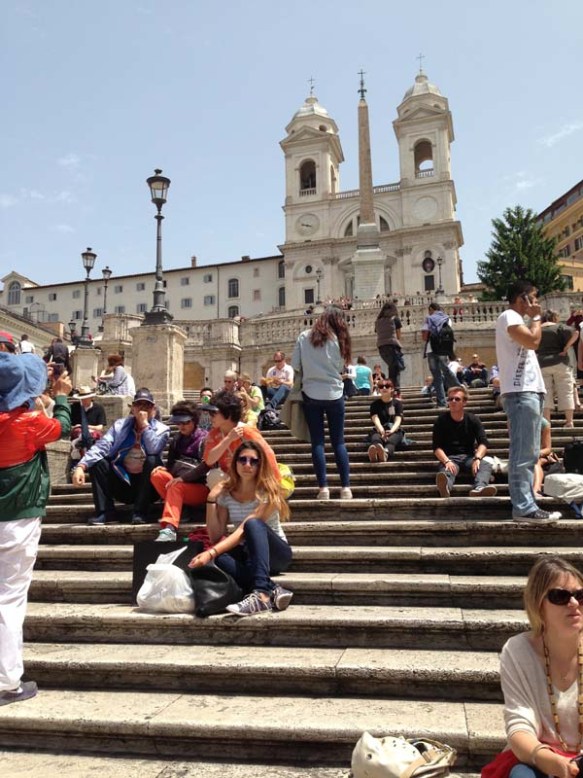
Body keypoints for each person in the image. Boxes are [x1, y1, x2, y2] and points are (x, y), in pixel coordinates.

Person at [0, 352, 71, 706]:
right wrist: (59, 397)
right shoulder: (27, 422)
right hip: (17, 520)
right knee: (10, 600)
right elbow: (62, 427)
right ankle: (8, 681)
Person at [497, 556, 583, 778]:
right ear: (538, 605)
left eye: (580, 595)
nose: (573, 603)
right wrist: (548, 760)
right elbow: (519, 724)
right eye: (559, 596)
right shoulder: (518, 651)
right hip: (540, 758)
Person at [188, 440, 293, 616]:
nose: (247, 465)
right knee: (221, 557)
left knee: (252, 524)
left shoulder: (268, 491)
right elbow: (216, 535)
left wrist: (209, 553)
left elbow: (242, 530)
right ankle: (274, 589)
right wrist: (211, 499)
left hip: (276, 555)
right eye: (242, 460)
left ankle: (261, 594)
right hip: (250, 555)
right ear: (235, 462)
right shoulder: (227, 494)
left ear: (261, 466)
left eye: (254, 461)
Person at [496, 281, 562, 524]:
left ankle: (527, 504)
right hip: (520, 392)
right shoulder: (509, 316)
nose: (537, 303)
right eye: (533, 298)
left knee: (530, 453)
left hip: (530, 391)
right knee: (523, 454)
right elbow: (533, 341)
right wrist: (535, 319)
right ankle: (523, 507)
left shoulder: (516, 318)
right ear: (521, 298)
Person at [72, 388, 169, 525]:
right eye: (139, 405)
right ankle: (106, 512)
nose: (142, 409)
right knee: (99, 462)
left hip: (148, 487)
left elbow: (153, 449)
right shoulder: (120, 426)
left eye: (147, 406)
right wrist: (81, 466)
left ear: (153, 409)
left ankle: (140, 512)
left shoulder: (162, 430)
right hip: (124, 483)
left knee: (153, 460)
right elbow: (102, 446)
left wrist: (145, 425)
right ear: (132, 408)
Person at [292, 306, 352, 500]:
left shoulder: (304, 336)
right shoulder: (340, 339)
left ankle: (323, 488)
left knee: (317, 442)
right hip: (334, 393)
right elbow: (341, 366)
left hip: (311, 393)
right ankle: (345, 488)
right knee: (339, 442)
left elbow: (296, 365)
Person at [151, 401, 209, 542]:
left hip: (201, 487)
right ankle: (181, 510)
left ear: (194, 421)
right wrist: (164, 469)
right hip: (180, 483)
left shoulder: (205, 438)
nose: (181, 426)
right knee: (157, 475)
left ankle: (169, 528)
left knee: (175, 486)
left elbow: (206, 466)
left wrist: (183, 479)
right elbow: (171, 465)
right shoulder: (177, 440)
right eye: (179, 423)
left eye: (185, 423)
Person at [432, 385, 497, 498]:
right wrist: (446, 461)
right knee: (446, 470)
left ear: (464, 402)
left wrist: (477, 458)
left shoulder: (472, 419)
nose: (453, 401)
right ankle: (445, 487)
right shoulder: (440, 421)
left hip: (469, 457)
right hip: (450, 457)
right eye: (450, 399)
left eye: (457, 399)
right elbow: (436, 447)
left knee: (484, 464)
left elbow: (483, 442)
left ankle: (480, 488)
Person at [536, 310, 578, 428]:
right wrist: (566, 348)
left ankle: (547, 423)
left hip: (542, 363)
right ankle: (569, 421)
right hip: (561, 362)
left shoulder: (538, 329)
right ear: (555, 317)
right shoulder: (560, 327)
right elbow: (576, 334)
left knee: (545, 393)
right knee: (566, 391)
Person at [421, 303, 459, 408]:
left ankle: (442, 402)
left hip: (431, 349)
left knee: (437, 376)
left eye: (429, 310)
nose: (429, 312)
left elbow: (424, 336)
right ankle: (460, 388)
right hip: (443, 349)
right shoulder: (447, 319)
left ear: (432, 309)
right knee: (446, 370)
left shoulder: (429, 318)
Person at [69, 385, 107, 466]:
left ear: (91, 398)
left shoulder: (99, 408)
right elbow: (71, 425)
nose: (84, 400)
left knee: (93, 437)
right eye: (82, 399)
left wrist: (86, 426)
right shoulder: (75, 408)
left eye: (86, 398)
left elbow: (100, 427)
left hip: (93, 435)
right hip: (78, 435)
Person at [367, 380, 404, 462]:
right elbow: (375, 419)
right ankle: (374, 453)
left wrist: (391, 431)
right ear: (379, 390)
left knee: (391, 440)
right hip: (379, 429)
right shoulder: (374, 404)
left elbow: (398, 419)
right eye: (381, 387)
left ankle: (385, 454)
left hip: (394, 429)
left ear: (392, 389)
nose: (384, 388)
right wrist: (382, 431)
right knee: (376, 438)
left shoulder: (397, 403)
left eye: (387, 386)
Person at [375, 301, 403, 389]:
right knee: (396, 369)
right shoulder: (395, 319)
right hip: (392, 346)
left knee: (392, 368)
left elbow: (378, 332)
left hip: (381, 348)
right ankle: (395, 390)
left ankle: (391, 388)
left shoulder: (378, 321)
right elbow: (398, 336)